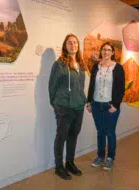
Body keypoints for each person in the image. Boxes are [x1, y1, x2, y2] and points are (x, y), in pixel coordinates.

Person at [48, 34, 86, 180]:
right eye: (70, 43)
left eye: (75, 43)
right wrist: (56, 104)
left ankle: (70, 163)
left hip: (78, 107)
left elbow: (81, 86)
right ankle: (59, 166)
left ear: (78, 45)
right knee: (61, 136)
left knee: (73, 135)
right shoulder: (59, 64)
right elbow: (52, 86)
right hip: (64, 107)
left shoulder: (81, 64)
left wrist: (83, 100)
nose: (73, 45)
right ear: (65, 46)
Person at [86, 42, 125, 171]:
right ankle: (100, 156)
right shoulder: (95, 67)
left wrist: (116, 104)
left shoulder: (118, 68)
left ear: (112, 52)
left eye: (109, 50)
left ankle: (110, 158)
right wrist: (89, 101)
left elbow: (121, 88)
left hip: (110, 106)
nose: (106, 52)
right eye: (104, 49)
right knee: (100, 132)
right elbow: (92, 85)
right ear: (101, 51)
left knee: (110, 132)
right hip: (96, 104)